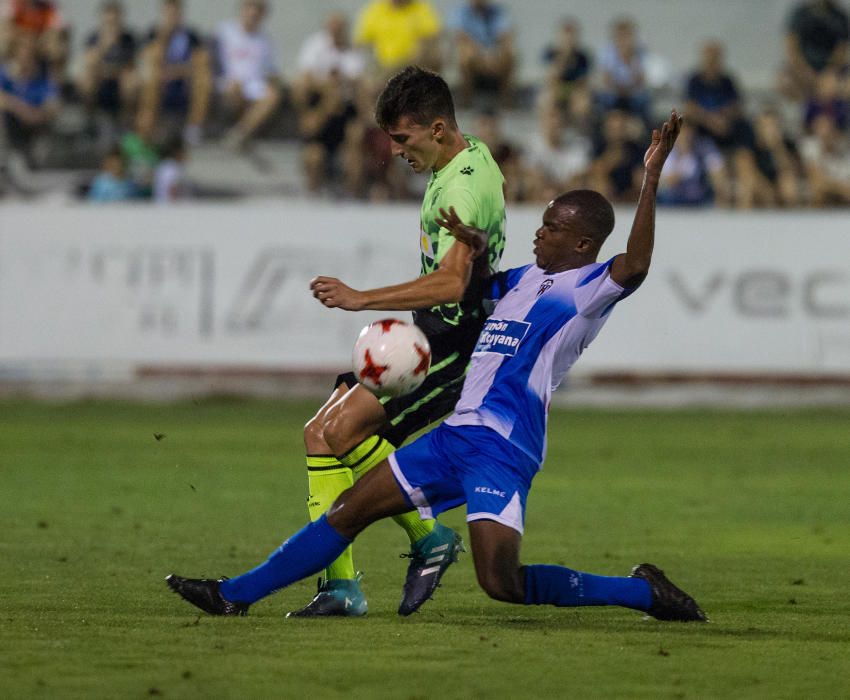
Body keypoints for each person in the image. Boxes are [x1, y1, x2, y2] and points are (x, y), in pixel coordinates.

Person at [167, 110, 707, 625]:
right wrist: (472, 250)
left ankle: (642, 591)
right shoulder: (520, 280)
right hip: (454, 437)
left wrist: (651, 178)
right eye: (541, 224)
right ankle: (233, 595)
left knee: (502, 583)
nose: (539, 233)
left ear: (583, 243)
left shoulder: (589, 291)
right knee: (349, 510)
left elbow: (636, 264)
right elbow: (468, 297)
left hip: (503, 446)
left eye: (552, 228)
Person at [294, 66, 507, 618]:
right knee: (323, 433)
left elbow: (452, 282)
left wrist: (362, 298)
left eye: (402, 138)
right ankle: (419, 542)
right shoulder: (467, 156)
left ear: (437, 129)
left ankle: (348, 585)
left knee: (330, 434)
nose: (394, 152)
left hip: (450, 342)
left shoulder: (461, 186)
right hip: (430, 333)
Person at [136, 0, 211, 145]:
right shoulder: (154, 33)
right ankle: (147, 124)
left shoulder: (191, 35)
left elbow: (200, 62)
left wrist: (175, 71)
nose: (172, 17)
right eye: (169, 13)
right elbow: (148, 59)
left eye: (175, 13)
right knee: (152, 77)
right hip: (160, 78)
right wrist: (163, 38)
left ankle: (194, 126)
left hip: (185, 79)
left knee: (203, 79)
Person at [213, 0, 282, 150]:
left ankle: (239, 134)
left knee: (272, 96)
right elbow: (212, 59)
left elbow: (272, 71)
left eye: (258, 9)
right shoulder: (224, 32)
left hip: (254, 85)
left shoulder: (266, 40)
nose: (253, 12)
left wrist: (273, 82)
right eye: (250, 7)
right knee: (235, 88)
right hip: (228, 82)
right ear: (242, 9)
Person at [77, 1, 138, 131]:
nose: (112, 26)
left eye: (115, 22)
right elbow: (90, 63)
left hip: (119, 80)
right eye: (109, 22)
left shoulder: (128, 39)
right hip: (100, 79)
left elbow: (130, 66)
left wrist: (110, 71)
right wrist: (104, 45)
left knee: (130, 80)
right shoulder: (93, 38)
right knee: (87, 79)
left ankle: (126, 120)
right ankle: (88, 117)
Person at [779, 0, 849, 102]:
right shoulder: (800, 14)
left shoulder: (840, 16)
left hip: (830, 70)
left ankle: (835, 114)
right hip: (801, 69)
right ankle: (804, 112)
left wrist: (830, 72)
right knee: (785, 82)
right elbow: (791, 48)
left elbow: (841, 50)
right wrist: (805, 72)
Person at [449, 0, 515, 106]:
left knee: (509, 53)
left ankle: (506, 100)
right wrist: (482, 56)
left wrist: (493, 55)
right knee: (465, 54)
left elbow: (506, 35)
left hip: (495, 57)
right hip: (475, 57)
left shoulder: (497, 12)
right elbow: (461, 37)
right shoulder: (461, 13)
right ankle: (466, 99)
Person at [354, 0, 442, 74]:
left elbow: (431, 42)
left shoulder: (422, 10)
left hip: (412, 67)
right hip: (380, 67)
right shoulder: (375, 10)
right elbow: (361, 44)